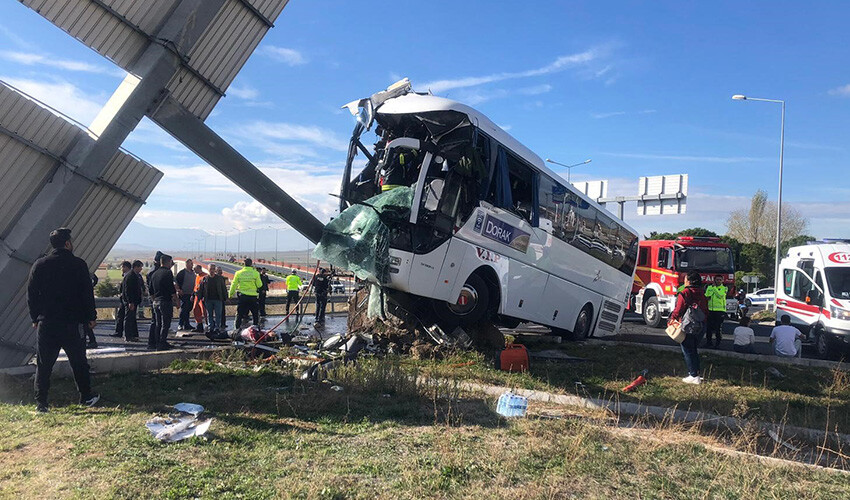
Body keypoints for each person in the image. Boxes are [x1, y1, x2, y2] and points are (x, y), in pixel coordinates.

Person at [26, 227, 100, 412]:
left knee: (44, 364)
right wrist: (91, 317)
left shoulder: (40, 265)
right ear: (67, 244)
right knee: (78, 361)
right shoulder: (78, 264)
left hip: (47, 322)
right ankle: (86, 397)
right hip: (73, 323)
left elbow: (31, 295)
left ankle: (41, 403)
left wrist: (35, 317)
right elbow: (86, 294)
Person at [668, 271, 709, 385]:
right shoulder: (702, 293)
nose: (684, 281)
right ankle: (697, 373)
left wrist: (672, 319)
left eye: (685, 279)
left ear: (689, 281)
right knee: (694, 349)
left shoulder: (685, 293)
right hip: (701, 324)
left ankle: (693, 375)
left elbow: (679, 309)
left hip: (689, 325)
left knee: (687, 349)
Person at [149, 253, 178, 350]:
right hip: (165, 301)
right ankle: (162, 343)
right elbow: (171, 288)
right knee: (166, 324)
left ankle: (158, 343)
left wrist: (154, 300)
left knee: (158, 323)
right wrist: (176, 300)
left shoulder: (154, 273)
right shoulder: (167, 273)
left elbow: (151, 290)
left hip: (156, 301)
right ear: (168, 262)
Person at [229, 258, 262, 330]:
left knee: (239, 314)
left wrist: (230, 294)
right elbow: (259, 285)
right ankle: (255, 328)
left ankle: (237, 329)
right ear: (251, 264)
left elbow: (233, 284)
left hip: (243, 296)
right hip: (253, 297)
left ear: (244, 264)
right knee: (255, 314)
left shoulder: (238, 273)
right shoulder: (255, 273)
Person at [120, 260, 144, 342]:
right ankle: (128, 336)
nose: (141, 269)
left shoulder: (134, 275)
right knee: (129, 318)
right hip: (131, 302)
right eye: (140, 267)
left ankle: (133, 335)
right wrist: (130, 302)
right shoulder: (131, 276)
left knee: (132, 318)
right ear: (136, 267)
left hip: (133, 301)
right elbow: (128, 290)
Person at [203, 264, 228, 339]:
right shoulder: (205, 278)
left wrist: (225, 297)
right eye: (211, 269)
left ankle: (217, 328)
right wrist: (199, 297)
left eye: (213, 269)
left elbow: (223, 288)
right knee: (209, 314)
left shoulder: (219, 278)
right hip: (209, 299)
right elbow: (201, 288)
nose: (212, 270)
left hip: (218, 299)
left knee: (218, 315)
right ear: (208, 269)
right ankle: (211, 327)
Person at [110, 261, 132, 339]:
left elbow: (128, 290)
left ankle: (127, 335)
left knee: (127, 318)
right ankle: (118, 332)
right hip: (124, 300)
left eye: (122, 267)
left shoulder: (130, 276)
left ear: (126, 267)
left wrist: (129, 301)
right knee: (120, 316)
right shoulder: (126, 275)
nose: (121, 269)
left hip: (126, 300)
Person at [704, 275, 728, 348]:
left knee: (718, 328)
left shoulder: (724, 288)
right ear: (714, 280)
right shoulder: (709, 287)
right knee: (709, 328)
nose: (718, 281)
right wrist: (709, 293)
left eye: (720, 280)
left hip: (720, 311)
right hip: (710, 310)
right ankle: (709, 343)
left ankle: (718, 343)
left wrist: (714, 288)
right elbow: (706, 295)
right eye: (717, 280)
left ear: (722, 281)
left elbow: (720, 295)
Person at [174, 259, 196, 331]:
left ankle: (187, 324)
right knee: (184, 309)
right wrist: (179, 290)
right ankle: (180, 324)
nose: (192, 265)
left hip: (191, 294)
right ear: (186, 264)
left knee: (188, 309)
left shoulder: (193, 273)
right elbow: (176, 282)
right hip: (184, 294)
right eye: (190, 264)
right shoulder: (182, 273)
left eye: (192, 264)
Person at [146, 251, 163, 341]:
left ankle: (154, 341)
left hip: (154, 298)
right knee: (156, 321)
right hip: (155, 298)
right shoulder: (154, 272)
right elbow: (151, 287)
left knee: (156, 320)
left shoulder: (153, 270)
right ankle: (153, 341)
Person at [191, 264, 207, 332]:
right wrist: (193, 295)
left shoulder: (205, 276)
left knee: (204, 311)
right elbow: (195, 287)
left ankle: (208, 324)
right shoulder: (197, 276)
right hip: (197, 295)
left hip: (202, 296)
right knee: (196, 310)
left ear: (199, 268)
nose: (194, 270)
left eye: (195, 269)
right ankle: (199, 325)